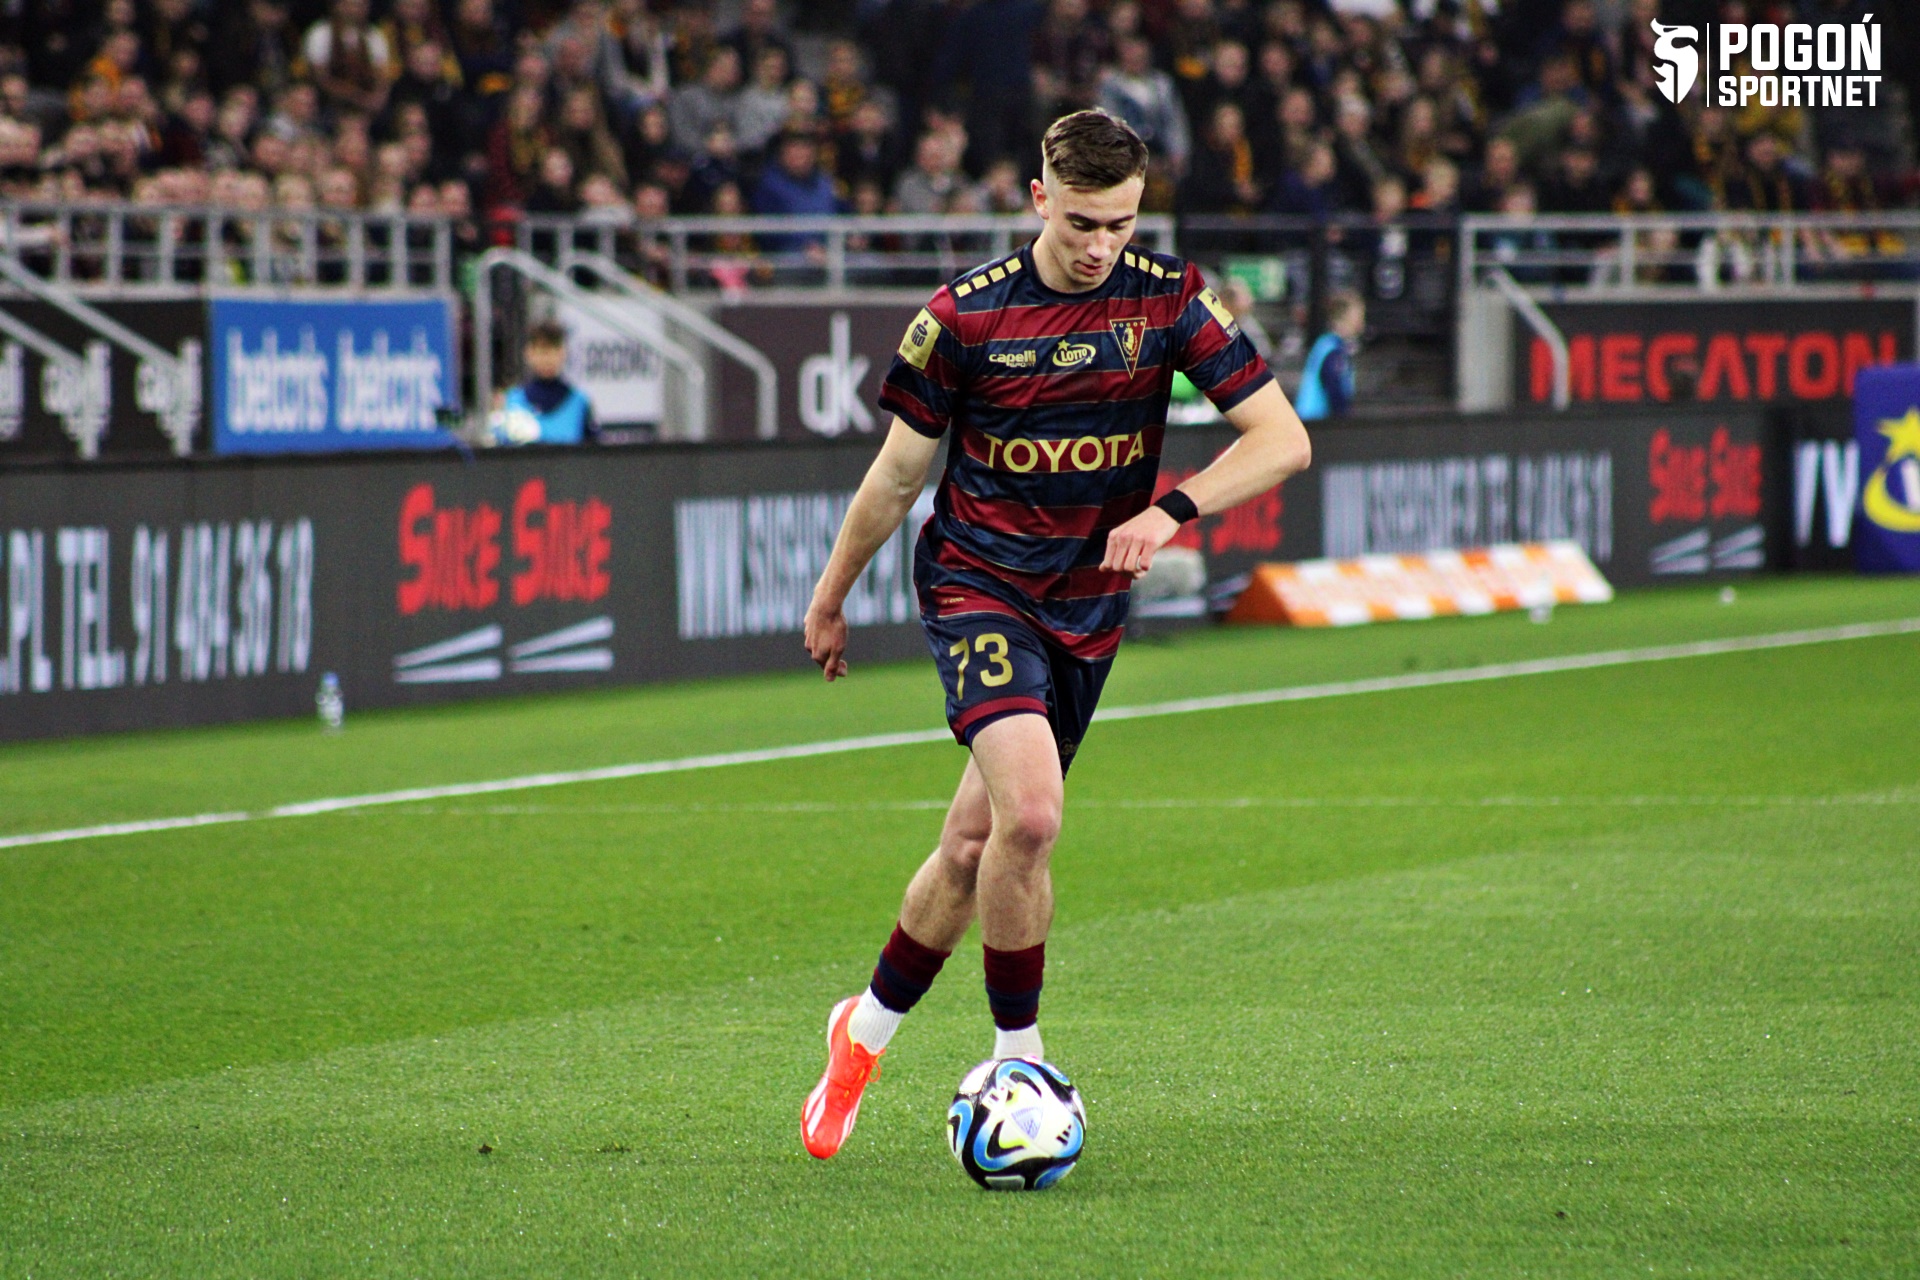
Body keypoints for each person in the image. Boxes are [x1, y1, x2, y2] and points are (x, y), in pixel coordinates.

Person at [797, 109, 1312, 1160]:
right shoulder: (964, 318)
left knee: (972, 845)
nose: (1100, 245)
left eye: (1121, 223)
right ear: (1039, 198)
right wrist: (831, 594)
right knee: (1031, 817)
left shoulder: (1168, 297)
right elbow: (896, 477)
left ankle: (864, 1032)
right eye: (1082, 222)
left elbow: (1283, 438)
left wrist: (1170, 511)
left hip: (1087, 606)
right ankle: (1019, 1065)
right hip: (979, 585)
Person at [491, 320, 596, 445]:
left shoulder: (580, 402)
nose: (547, 358)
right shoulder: (512, 401)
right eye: (541, 350)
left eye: (553, 349)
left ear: (563, 353)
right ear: (529, 353)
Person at [1294, 290, 1362, 422]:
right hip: (1316, 419)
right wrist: (1342, 415)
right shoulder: (1332, 349)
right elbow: (1333, 384)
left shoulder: (1328, 345)